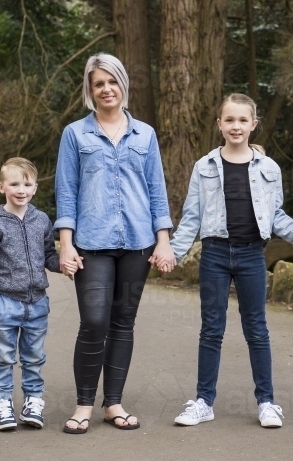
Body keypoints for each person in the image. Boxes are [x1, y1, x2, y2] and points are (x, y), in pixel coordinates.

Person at [54, 53, 176, 434]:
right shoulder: (76, 134)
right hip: (91, 243)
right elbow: (66, 191)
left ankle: (114, 403)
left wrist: (164, 241)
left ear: (123, 84)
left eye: (112, 82)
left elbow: (157, 190)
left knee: (123, 323)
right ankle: (83, 405)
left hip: (138, 242)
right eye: (98, 84)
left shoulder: (146, 135)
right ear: (90, 91)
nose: (106, 89)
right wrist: (66, 244)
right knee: (93, 322)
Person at [168, 93, 293, 429]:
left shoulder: (268, 168)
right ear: (219, 125)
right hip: (214, 253)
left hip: (251, 255)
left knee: (256, 329)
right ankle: (203, 401)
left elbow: (275, 215)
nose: (236, 126)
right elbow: (191, 218)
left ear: (254, 124)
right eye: (229, 120)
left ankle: (267, 402)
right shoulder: (204, 166)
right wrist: (173, 252)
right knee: (211, 330)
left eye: (243, 120)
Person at [0, 157, 60, 431]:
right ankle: (3, 405)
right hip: (6, 303)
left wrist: (65, 264)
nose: (21, 189)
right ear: (2, 187)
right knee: (3, 357)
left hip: (37, 303)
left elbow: (49, 255)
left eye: (27, 184)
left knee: (34, 357)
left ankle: (33, 402)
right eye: (14, 184)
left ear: (35, 188)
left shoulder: (42, 220)